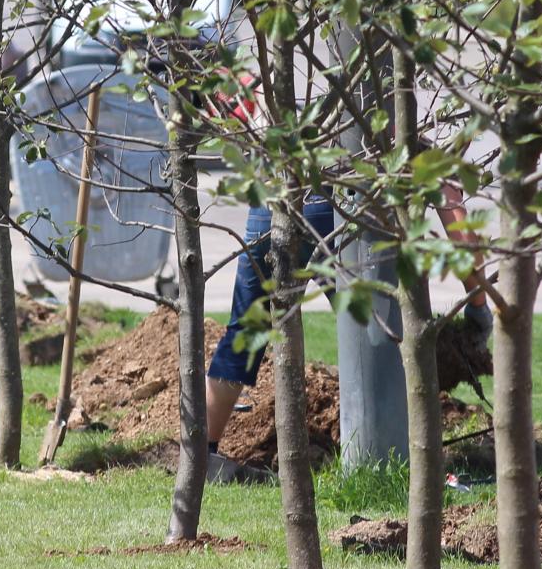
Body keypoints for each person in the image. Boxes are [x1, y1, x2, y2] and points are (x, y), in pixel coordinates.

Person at [203, 184, 493, 482]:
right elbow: (455, 218)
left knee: (245, 330)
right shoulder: (417, 139)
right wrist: (479, 306)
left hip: (270, 203)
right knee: (383, 339)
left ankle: (203, 455)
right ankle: (393, 458)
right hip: (336, 211)